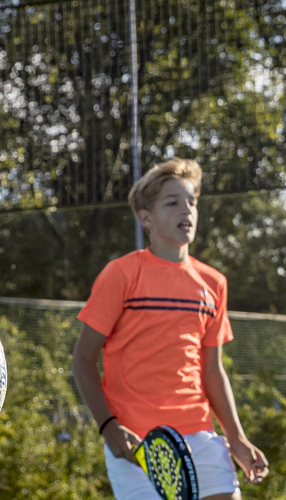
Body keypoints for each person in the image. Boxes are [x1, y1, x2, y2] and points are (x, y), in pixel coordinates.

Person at [71, 158, 269, 499]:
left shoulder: (214, 283)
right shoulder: (120, 275)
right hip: (137, 444)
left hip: (202, 436)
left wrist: (235, 437)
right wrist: (109, 428)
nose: (187, 210)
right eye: (173, 202)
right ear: (145, 218)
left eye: (192, 201)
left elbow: (212, 369)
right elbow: (83, 360)